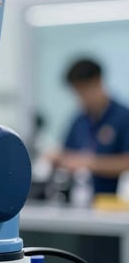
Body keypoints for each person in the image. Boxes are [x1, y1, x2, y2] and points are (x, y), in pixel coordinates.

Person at [50, 58, 129, 194]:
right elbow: (67, 153)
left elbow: (126, 162)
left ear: (97, 82)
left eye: (83, 92)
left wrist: (89, 163)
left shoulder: (123, 118)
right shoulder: (79, 120)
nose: (80, 98)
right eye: (76, 93)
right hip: (79, 201)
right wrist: (57, 158)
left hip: (113, 204)